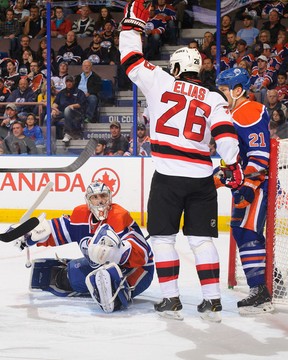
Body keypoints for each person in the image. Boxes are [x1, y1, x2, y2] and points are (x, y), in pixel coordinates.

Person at [119, 0, 243, 321]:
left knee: (162, 238)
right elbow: (227, 140)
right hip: (202, 180)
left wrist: (133, 26)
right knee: (202, 240)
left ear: (175, 68)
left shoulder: (160, 81)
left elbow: (131, 58)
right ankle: (212, 301)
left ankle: (171, 299)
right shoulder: (215, 97)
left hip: (168, 177)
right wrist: (230, 164)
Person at [14, 181, 154, 313]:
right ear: (88, 201)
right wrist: (30, 234)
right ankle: (72, 276)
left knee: (108, 279)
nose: (100, 200)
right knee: (73, 277)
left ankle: (116, 292)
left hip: (138, 270)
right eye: (95, 197)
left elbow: (142, 254)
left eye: (103, 196)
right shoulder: (80, 215)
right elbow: (55, 231)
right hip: (100, 266)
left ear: (109, 198)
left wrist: (118, 252)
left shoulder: (119, 216)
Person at [216, 67, 273, 315]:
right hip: (245, 182)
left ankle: (260, 289)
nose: (222, 94)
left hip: (258, 183)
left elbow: (260, 154)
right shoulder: (234, 112)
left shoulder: (248, 110)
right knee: (241, 231)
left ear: (238, 90)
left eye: (225, 90)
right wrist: (222, 177)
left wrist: (249, 185)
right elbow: (236, 156)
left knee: (248, 231)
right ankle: (270, 276)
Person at [51, 75, 86, 142]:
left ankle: (68, 133)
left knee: (67, 110)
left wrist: (72, 106)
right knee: (49, 116)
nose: (69, 83)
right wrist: (54, 110)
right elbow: (55, 103)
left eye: (71, 81)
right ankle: (50, 138)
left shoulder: (79, 92)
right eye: (67, 81)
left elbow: (81, 104)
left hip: (76, 113)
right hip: (62, 112)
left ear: (73, 82)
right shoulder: (61, 92)